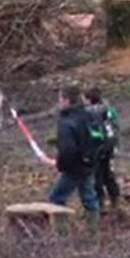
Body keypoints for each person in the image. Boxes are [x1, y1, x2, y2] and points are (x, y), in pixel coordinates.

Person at [48, 84, 100, 237]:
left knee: (56, 199)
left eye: (60, 99)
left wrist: (60, 165)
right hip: (89, 165)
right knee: (89, 199)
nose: (58, 102)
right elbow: (98, 139)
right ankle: (93, 238)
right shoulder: (91, 115)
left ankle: (62, 237)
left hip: (73, 169)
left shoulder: (66, 122)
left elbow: (67, 151)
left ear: (67, 101)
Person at [85, 86, 122, 217]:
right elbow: (116, 126)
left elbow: (92, 132)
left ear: (88, 100)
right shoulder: (110, 110)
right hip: (111, 145)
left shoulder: (89, 113)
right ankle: (115, 200)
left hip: (98, 146)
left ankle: (100, 205)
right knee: (109, 174)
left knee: (97, 176)